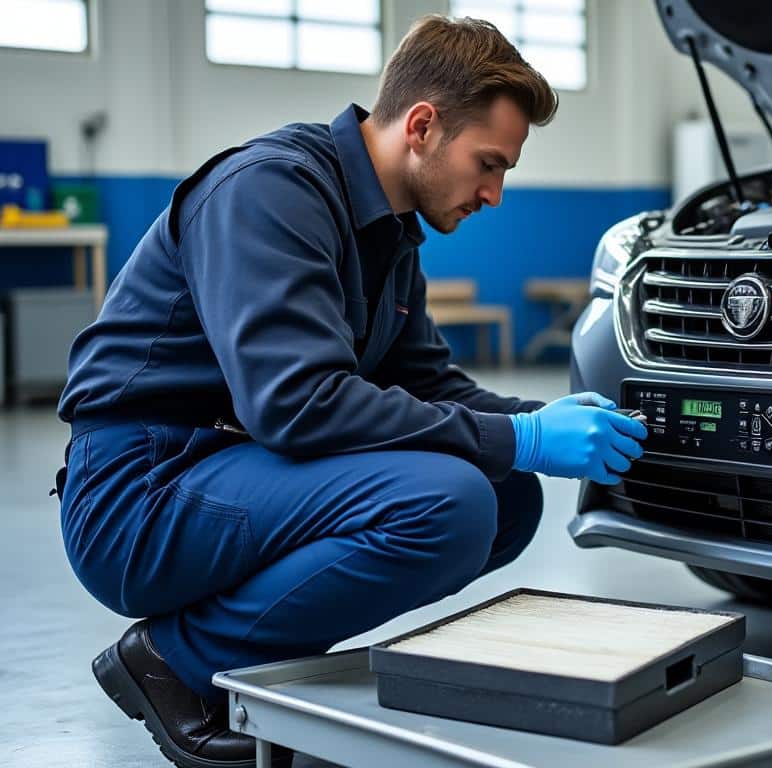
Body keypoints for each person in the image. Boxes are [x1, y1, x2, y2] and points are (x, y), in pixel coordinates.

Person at [52, 15, 646, 768]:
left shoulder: (390, 234)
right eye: (489, 163)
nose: (495, 193)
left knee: (507, 499)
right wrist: (522, 439)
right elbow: (297, 405)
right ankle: (176, 661)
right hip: (142, 490)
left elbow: (428, 383)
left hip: (233, 467)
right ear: (422, 127)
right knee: (450, 504)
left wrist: (541, 420)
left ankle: (249, 657)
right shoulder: (270, 190)